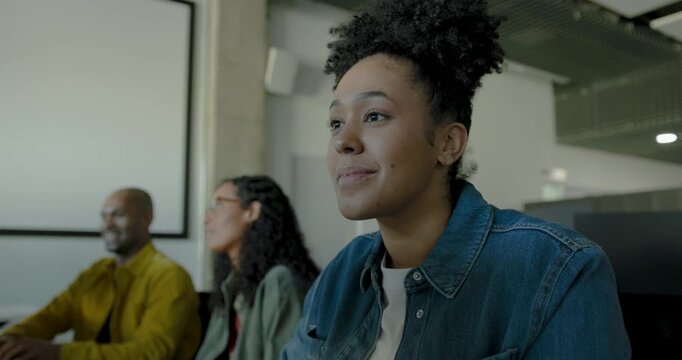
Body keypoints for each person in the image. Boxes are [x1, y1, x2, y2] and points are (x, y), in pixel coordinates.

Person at [281, 0, 631, 358]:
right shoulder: (340, 277)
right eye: (336, 123)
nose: (342, 141)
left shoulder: (556, 271)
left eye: (374, 115)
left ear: (448, 143)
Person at [0, 188, 201, 360]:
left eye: (118, 215)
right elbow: (50, 316)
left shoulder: (169, 276)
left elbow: (151, 352)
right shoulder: (97, 272)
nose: (107, 224)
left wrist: (58, 352)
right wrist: (10, 340)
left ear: (146, 218)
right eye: (104, 216)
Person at [196, 175, 319, 359]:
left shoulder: (279, 280)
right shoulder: (231, 284)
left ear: (252, 211)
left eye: (219, 205)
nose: (206, 219)